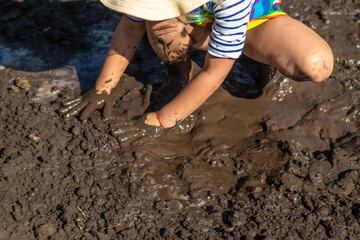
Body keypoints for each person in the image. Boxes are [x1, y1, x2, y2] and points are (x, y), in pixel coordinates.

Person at [60, 0, 333, 136]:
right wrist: (103, 89)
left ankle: (258, 57)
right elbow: (129, 30)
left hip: (253, 20)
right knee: (160, 26)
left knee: (315, 64)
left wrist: (160, 121)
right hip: (200, 19)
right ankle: (178, 73)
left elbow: (215, 71)